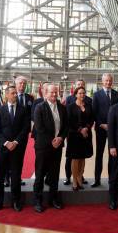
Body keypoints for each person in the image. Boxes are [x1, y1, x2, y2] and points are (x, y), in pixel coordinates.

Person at [0, 85, 31, 212]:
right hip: (3, 148)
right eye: (13, 93)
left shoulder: (23, 110)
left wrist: (15, 142)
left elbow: (25, 129)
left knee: (16, 176)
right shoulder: (0, 110)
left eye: (16, 93)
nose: (15, 95)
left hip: (17, 148)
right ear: (7, 95)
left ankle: (16, 201)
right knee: (0, 176)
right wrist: (6, 143)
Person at [33, 84, 68, 213]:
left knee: (54, 174)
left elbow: (66, 126)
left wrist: (61, 138)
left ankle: (53, 199)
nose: (54, 95)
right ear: (45, 93)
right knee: (40, 174)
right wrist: (51, 140)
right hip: (43, 147)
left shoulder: (62, 108)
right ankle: (37, 200)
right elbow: (39, 128)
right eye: (51, 93)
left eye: (56, 92)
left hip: (57, 146)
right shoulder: (39, 108)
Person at [4, 76, 33, 188]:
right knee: (8, 157)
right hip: (9, 133)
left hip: (22, 133)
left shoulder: (30, 98)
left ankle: (17, 177)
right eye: (20, 83)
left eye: (24, 84)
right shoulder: (10, 96)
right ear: (15, 84)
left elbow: (32, 114)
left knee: (19, 157)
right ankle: (7, 178)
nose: (22, 85)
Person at [92, 73, 118, 187]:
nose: (108, 83)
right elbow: (95, 112)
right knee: (99, 155)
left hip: (114, 130)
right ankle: (97, 180)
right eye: (106, 81)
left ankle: (112, 179)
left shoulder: (117, 94)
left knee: (113, 155)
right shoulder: (97, 95)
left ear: (112, 81)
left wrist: (113, 125)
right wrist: (101, 124)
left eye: (110, 80)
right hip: (101, 129)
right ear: (102, 82)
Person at [64, 79, 91, 186]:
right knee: (75, 158)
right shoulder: (70, 106)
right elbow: (69, 121)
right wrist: (81, 129)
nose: (82, 94)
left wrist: (86, 128)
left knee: (82, 157)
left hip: (86, 136)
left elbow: (91, 119)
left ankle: (80, 177)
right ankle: (74, 180)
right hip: (74, 135)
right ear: (75, 94)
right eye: (80, 93)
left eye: (84, 93)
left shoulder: (88, 105)